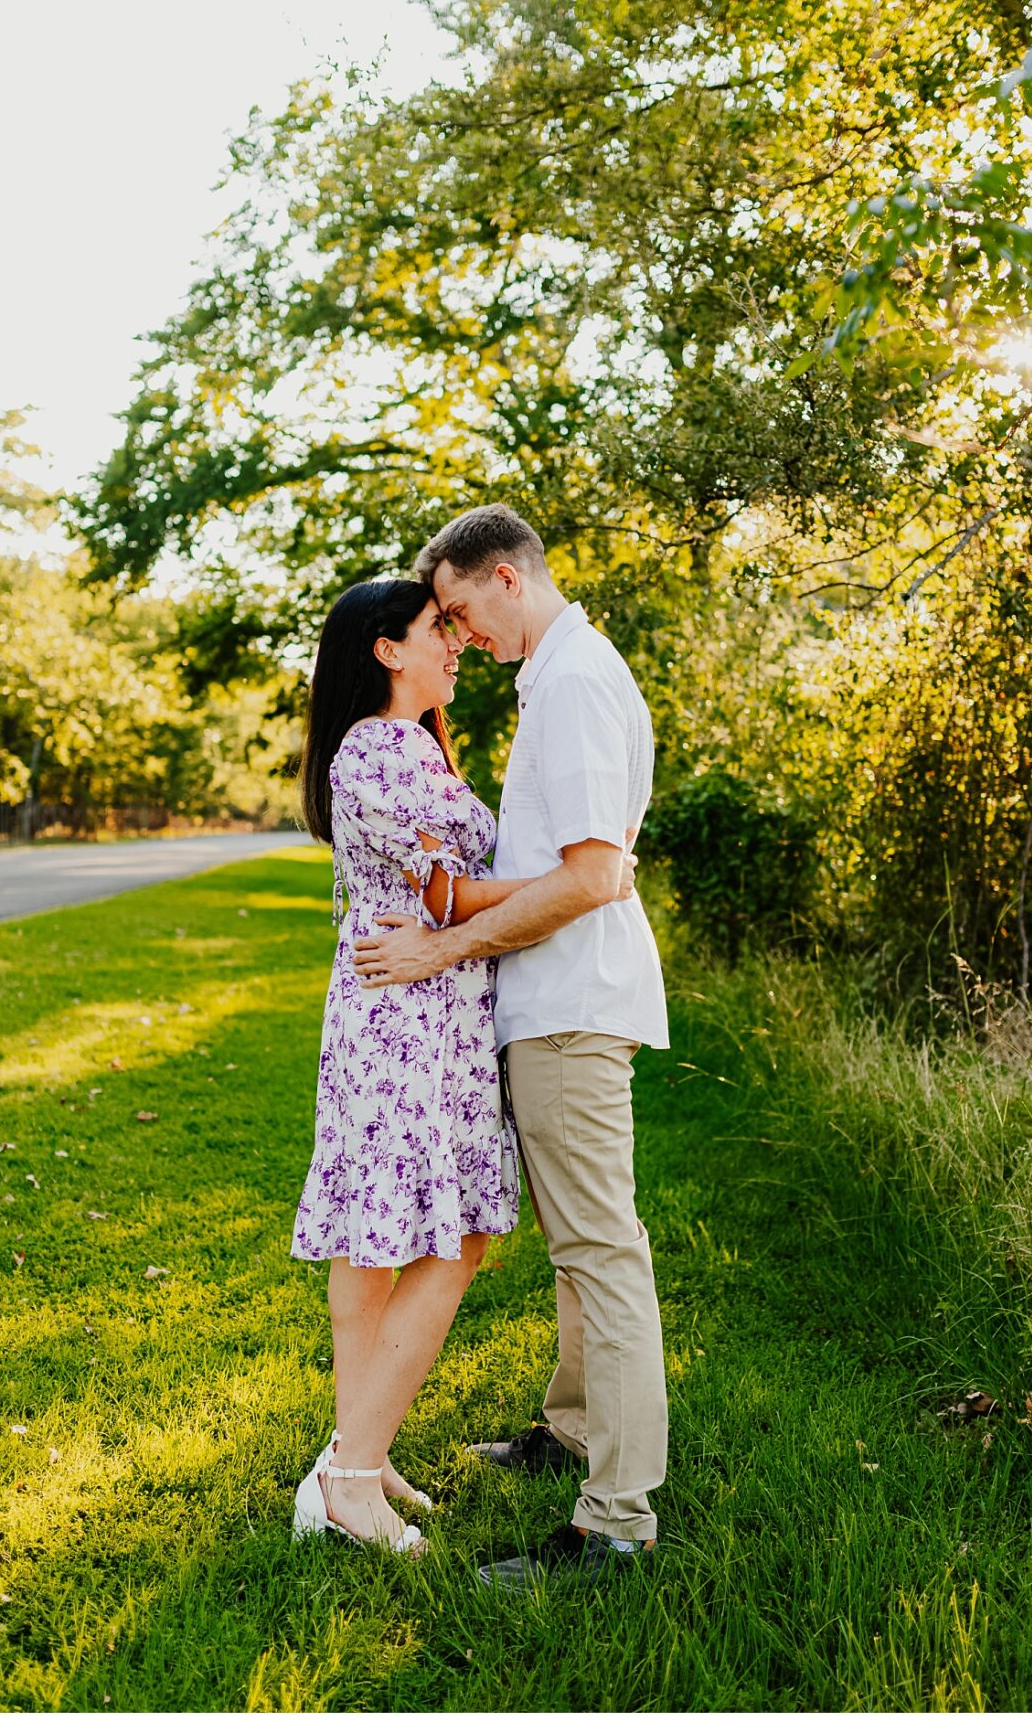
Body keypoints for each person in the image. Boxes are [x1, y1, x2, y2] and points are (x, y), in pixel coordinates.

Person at [351, 503, 671, 1592]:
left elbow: (591, 876)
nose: (458, 634)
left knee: (601, 1254)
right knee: (583, 1250)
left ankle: (616, 1525)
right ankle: (575, 1431)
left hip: (573, 1004)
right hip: (549, 1003)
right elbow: (553, 862)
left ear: (502, 577)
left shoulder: (575, 681)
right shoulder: (559, 675)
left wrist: (443, 946)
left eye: (455, 609)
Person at [288, 577, 562, 1551]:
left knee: (387, 1238)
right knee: (439, 1240)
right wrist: (574, 883)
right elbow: (445, 899)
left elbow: (446, 893)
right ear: (385, 650)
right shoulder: (376, 750)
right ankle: (350, 1476)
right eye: (435, 631)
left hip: (428, 1011)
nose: (456, 646)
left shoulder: (421, 749)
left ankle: (355, 1449)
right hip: (402, 1015)